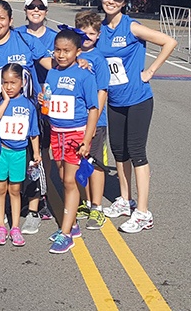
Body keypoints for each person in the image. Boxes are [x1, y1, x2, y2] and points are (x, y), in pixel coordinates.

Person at [97, 0, 177, 233]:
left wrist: (150, 70)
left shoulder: (132, 27)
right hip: (115, 99)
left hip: (139, 99)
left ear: (124, 2)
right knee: (119, 152)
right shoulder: (100, 29)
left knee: (136, 152)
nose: (111, 1)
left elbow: (169, 42)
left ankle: (143, 212)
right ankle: (124, 199)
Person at [0, 0, 52, 228]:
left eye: (1, 18)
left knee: (31, 163)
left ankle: (33, 210)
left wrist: (78, 63)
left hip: (27, 116)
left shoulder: (25, 40)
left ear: (10, 21)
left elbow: (50, 63)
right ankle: (1, 212)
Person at [41, 28, 98, 254]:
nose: (61, 55)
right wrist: (43, 101)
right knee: (62, 175)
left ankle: (66, 234)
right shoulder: (52, 73)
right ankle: (72, 224)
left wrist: (87, 138)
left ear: (77, 52)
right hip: (57, 132)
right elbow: (49, 99)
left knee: (69, 182)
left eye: (67, 51)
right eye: (57, 50)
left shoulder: (85, 74)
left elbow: (93, 109)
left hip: (76, 134)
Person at [14, 0, 58, 229]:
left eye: (41, 7)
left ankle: (42, 193)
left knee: (42, 150)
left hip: (48, 103)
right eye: (32, 7)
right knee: (21, 150)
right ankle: (21, 192)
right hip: (22, 103)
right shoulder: (17, 35)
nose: (36, 10)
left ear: (46, 11)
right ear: (26, 10)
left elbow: (68, 59)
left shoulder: (56, 37)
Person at [0, 63, 40, 247]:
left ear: (22, 82)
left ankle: (15, 227)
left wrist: (36, 152)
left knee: (15, 190)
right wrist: (5, 101)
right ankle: (1, 226)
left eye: (13, 82)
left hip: (19, 154)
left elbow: (33, 131)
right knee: (0, 188)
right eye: (5, 83)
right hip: (1, 152)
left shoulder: (28, 105)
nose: (9, 87)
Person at [73, 13, 110, 230]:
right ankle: (84, 202)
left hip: (95, 120)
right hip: (75, 120)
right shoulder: (72, 55)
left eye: (91, 33)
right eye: (83, 32)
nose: (87, 37)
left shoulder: (98, 59)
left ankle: (97, 206)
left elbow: (102, 92)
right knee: (78, 161)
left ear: (98, 35)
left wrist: (94, 122)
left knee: (95, 163)